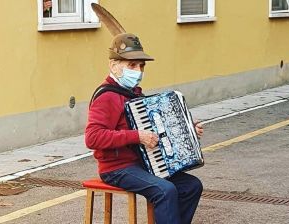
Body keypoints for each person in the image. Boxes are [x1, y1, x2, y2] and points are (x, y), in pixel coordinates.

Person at [85, 33, 204, 224]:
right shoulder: (106, 96)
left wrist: (189, 129)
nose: (138, 71)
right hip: (116, 168)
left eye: (141, 66)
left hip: (141, 164)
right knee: (165, 190)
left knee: (191, 186)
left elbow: (159, 128)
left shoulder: (134, 95)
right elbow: (93, 138)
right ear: (114, 66)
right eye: (132, 65)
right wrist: (137, 136)